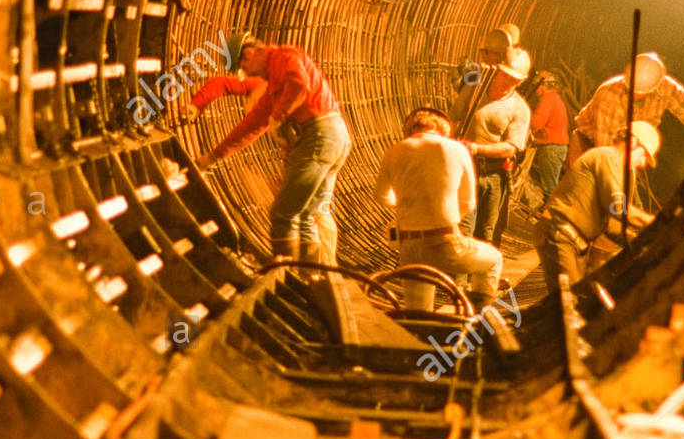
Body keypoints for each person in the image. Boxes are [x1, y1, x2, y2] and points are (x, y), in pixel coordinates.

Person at [196, 33, 351, 268]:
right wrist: (214, 155)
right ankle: (313, 278)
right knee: (307, 215)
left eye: (245, 68)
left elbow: (299, 84)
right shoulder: (273, 88)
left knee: (283, 214)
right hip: (332, 138)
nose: (250, 76)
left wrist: (279, 116)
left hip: (319, 136)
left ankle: (286, 277)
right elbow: (251, 126)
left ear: (249, 54)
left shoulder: (282, 56)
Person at [374, 107, 503, 313]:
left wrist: (408, 206)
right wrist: (447, 217)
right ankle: (480, 319)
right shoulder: (456, 149)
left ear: (410, 128)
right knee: (494, 260)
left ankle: (421, 334)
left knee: (418, 311)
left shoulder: (394, 150)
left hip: (409, 244)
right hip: (444, 240)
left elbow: (382, 196)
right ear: (443, 127)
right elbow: (468, 202)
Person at [538, 121, 659, 290]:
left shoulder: (621, 172)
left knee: (572, 302)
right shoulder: (607, 157)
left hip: (571, 241)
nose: (643, 163)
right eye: (644, 155)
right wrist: (657, 223)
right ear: (633, 142)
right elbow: (617, 207)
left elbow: (612, 225)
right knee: (569, 304)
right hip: (560, 233)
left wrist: (639, 243)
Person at [569, 52, 684, 164]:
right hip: (587, 146)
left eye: (639, 94)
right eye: (630, 90)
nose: (633, 95)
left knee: (621, 195)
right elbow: (605, 151)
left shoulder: (667, 89)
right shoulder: (609, 95)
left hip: (624, 150)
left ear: (654, 88)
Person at [450, 59, 530, 245]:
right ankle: (457, 275)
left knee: (486, 234)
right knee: (462, 233)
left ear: (522, 81)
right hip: (465, 172)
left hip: (494, 177)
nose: (507, 82)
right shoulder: (474, 90)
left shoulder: (520, 108)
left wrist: (477, 149)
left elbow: (512, 147)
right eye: (505, 75)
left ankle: (478, 273)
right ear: (497, 70)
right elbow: (453, 119)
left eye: (514, 80)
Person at [529, 71, 569, 202]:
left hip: (551, 148)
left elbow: (536, 124)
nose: (535, 90)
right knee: (550, 185)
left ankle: (550, 216)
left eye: (537, 86)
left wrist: (523, 114)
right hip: (557, 147)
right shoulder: (555, 98)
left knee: (549, 188)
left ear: (545, 85)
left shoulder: (547, 100)